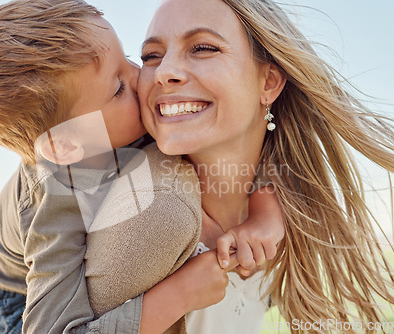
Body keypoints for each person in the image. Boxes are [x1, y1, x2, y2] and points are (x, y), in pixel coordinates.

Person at [0, 0, 284, 333]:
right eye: (119, 88)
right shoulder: (58, 192)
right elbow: (46, 326)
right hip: (14, 301)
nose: (142, 80)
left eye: (130, 60)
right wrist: (176, 297)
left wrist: (265, 208)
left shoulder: (97, 126)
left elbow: (240, 148)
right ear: (67, 146)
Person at [108, 0, 392, 332]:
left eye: (202, 48)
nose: (164, 72)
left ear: (269, 82)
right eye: (151, 56)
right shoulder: (134, 209)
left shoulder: (280, 217)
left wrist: (270, 204)